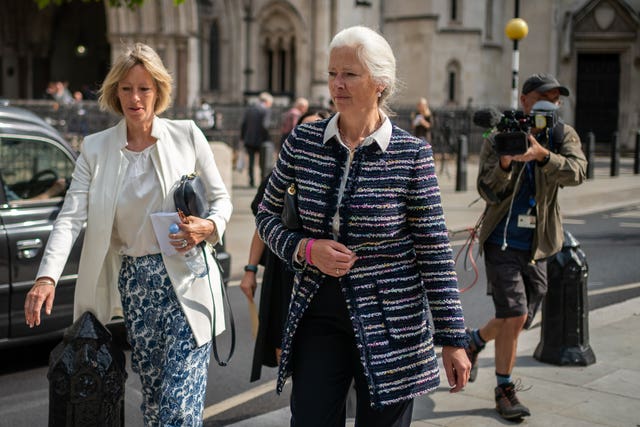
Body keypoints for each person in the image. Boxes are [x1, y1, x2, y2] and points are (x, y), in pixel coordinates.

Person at [255, 26, 470, 426]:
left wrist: (453, 339)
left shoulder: (412, 155)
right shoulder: (302, 141)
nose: (337, 83)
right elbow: (265, 215)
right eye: (332, 72)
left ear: (380, 82)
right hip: (318, 313)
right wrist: (305, 249)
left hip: (393, 325)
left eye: (350, 74)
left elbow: (434, 252)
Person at [23, 42, 233, 426]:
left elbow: (222, 200)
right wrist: (46, 275)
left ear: (159, 92)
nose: (135, 98)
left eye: (144, 88)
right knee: (153, 401)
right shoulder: (96, 149)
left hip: (188, 282)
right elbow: (70, 216)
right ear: (114, 92)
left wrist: (210, 226)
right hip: (136, 287)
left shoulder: (187, 135)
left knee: (177, 409)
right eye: (126, 88)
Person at [465, 73, 587, 421]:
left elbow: (578, 172)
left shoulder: (562, 135)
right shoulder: (502, 133)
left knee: (519, 319)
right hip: (502, 240)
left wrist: (543, 156)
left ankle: (474, 341)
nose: (552, 104)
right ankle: (504, 389)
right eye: (544, 97)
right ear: (524, 101)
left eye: (557, 99)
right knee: (515, 313)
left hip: (540, 243)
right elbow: (486, 190)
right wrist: (506, 161)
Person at [240, 109, 331, 382]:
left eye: (315, 130)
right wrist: (249, 270)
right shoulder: (280, 175)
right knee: (282, 346)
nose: (305, 137)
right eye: (301, 131)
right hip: (282, 272)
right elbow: (262, 224)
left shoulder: (335, 178)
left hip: (320, 274)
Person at [240, 91, 273, 187]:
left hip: (249, 139)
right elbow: (265, 125)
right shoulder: (266, 110)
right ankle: (263, 180)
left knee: (251, 161)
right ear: (267, 102)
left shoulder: (250, 109)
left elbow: (243, 124)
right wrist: (268, 138)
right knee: (263, 161)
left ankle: (251, 181)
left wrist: (243, 137)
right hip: (261, 140)